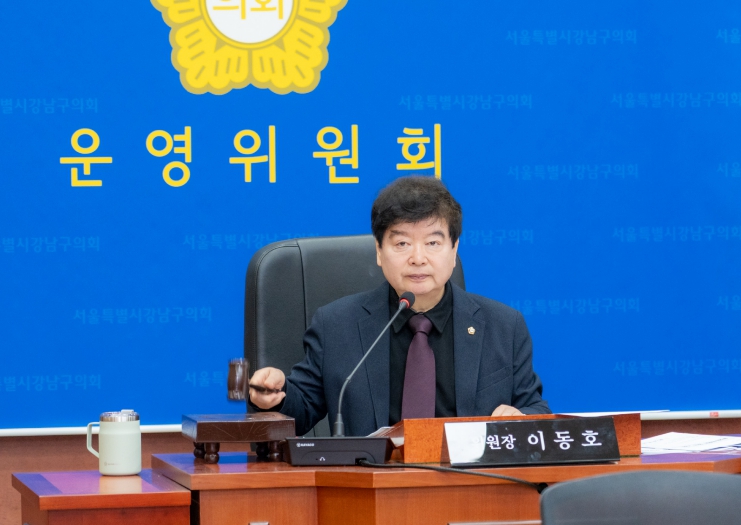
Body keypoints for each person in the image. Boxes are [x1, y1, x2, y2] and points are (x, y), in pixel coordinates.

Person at [249, 176, 550, 436]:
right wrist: (274, 395)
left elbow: (534, 408)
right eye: (402, 243)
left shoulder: (503, 326)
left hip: (469, 481)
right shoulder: (337, 325)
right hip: (372, 480)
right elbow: (300, 411)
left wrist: (521, 419)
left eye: (433, 243)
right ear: (379, 251)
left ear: (454, 249)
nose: (418, 258)